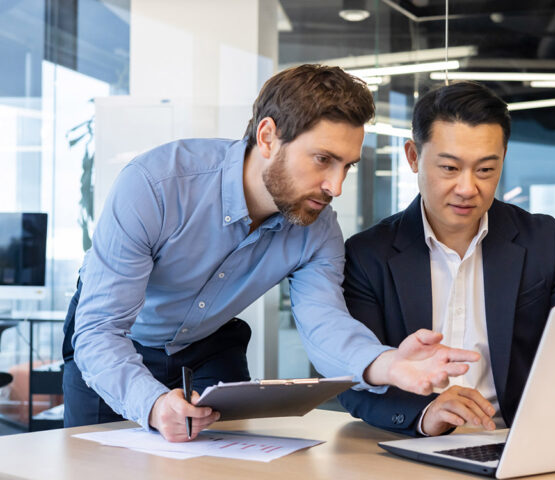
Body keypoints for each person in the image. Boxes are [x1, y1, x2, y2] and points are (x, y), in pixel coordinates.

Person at [62, 65, 479, 442]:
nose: (336, 186)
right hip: (115, 340)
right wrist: (152, 405)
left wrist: (389, 364)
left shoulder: (319, 228)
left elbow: (324, 324)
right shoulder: (156, 186)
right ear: (267, 137)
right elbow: (100, 330)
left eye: (347, 165)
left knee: (228, 467)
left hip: (208, 345)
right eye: (323, 159)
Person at [338, 81, 555, 436]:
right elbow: (352, 381)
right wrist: (425, 414)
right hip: (413, 444)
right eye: (449, 168)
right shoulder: (368, 255)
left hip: (518, 441)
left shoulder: (545, 241)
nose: (467, 188)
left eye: (485, 170)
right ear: (413, 157)